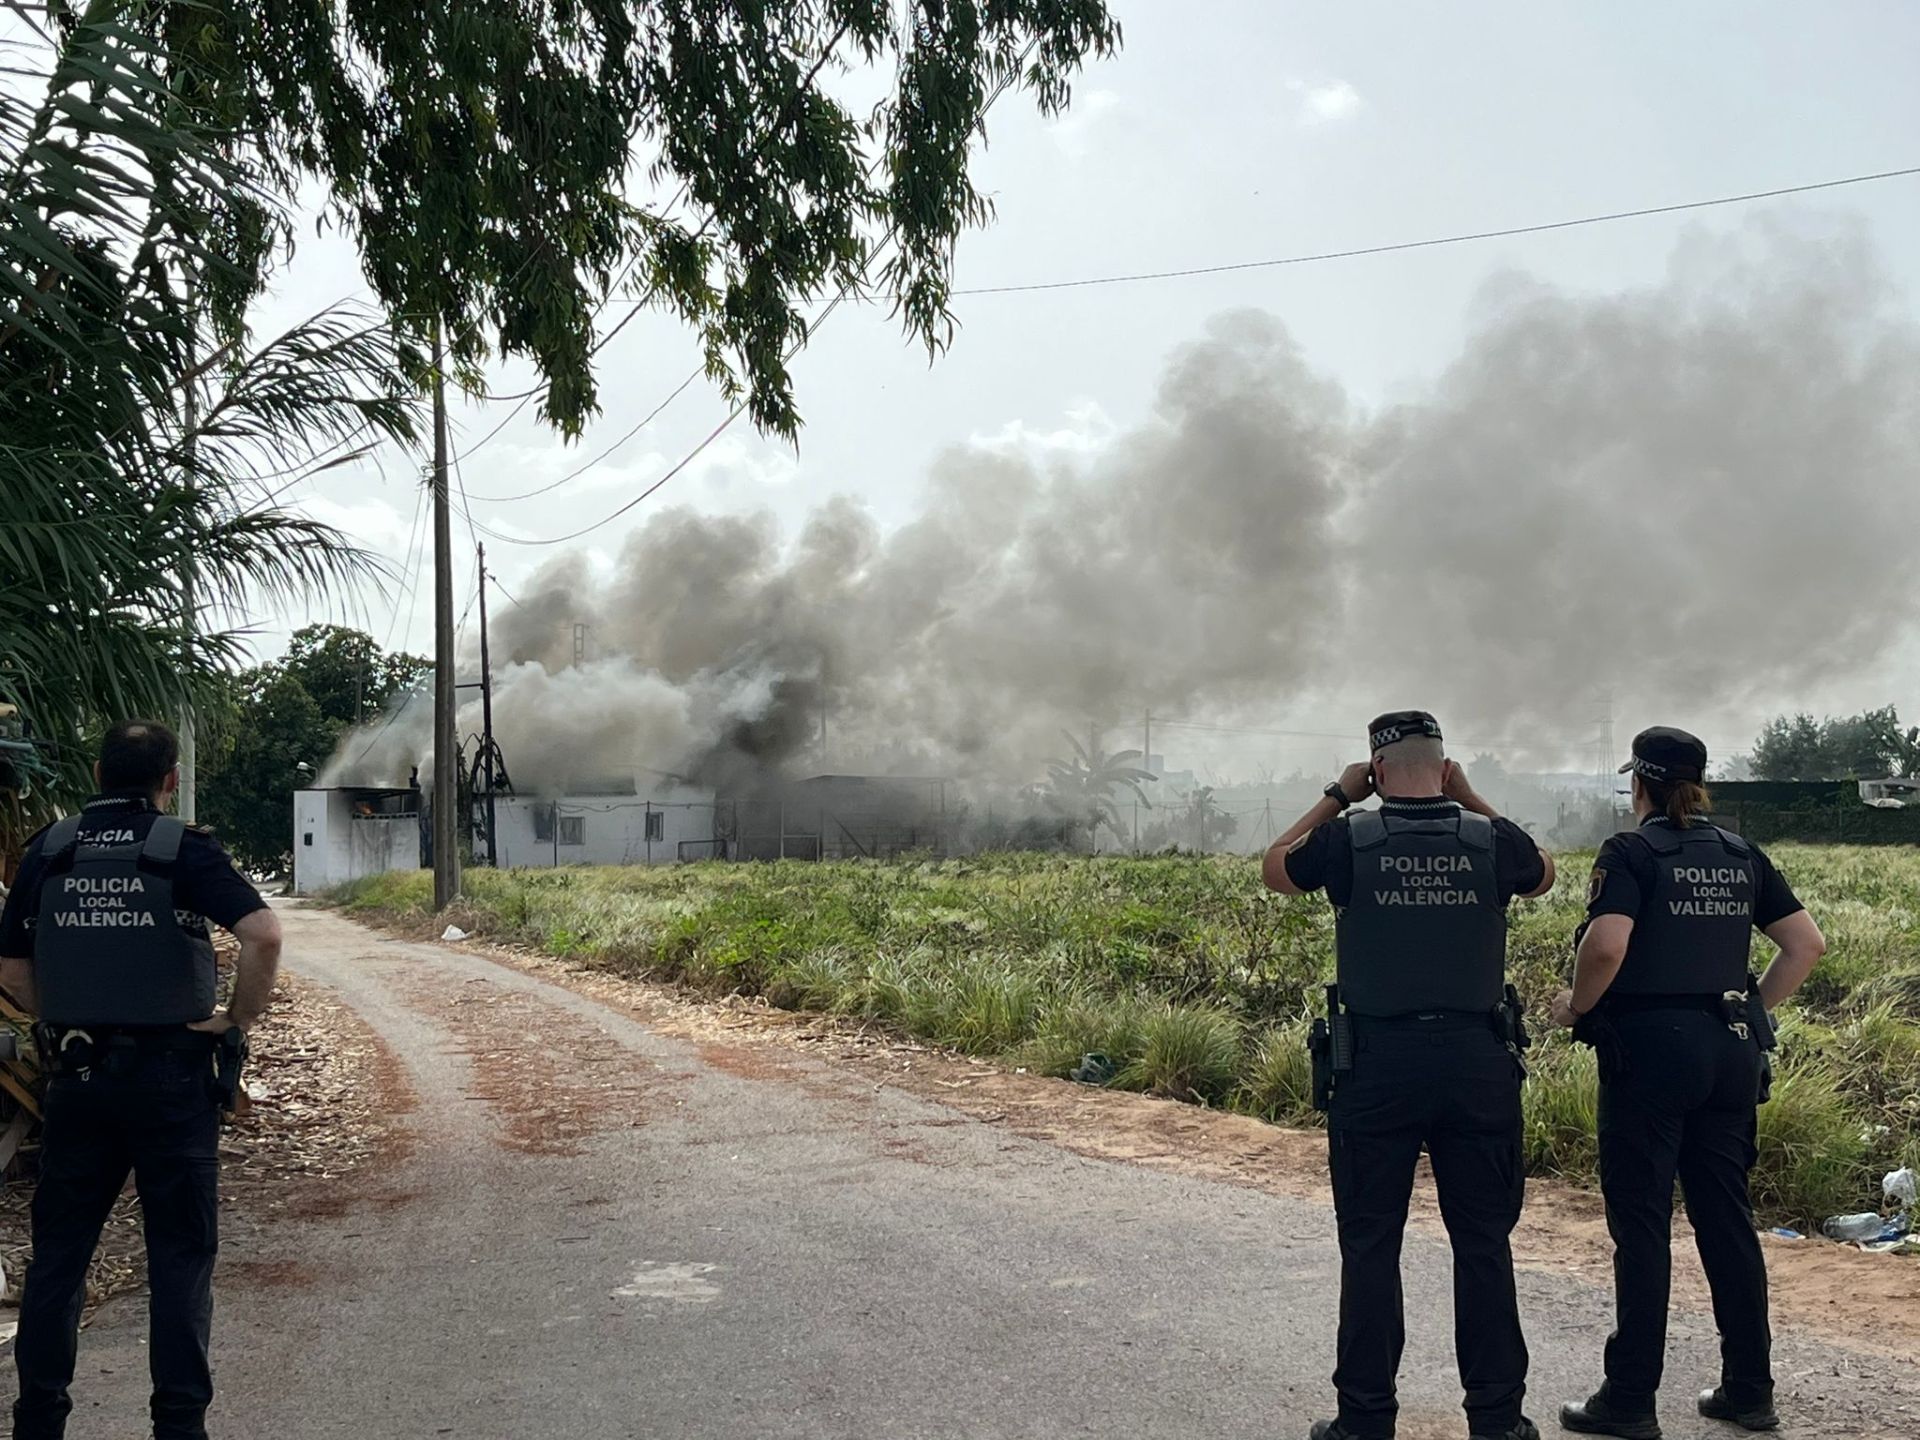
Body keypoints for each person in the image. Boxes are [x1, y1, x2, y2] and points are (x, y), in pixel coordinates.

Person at [1264, 711, 1556, 1440]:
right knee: (1483, 1244)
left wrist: (1338, 794)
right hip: (1477, 1063)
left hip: (1377, 1065)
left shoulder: (1346, 838)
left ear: (1379, 770)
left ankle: (1365, 1420)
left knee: (1370, 1245)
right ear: (1445, 768)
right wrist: (1472, 797)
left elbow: (1275, 867)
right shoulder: (1491, 842)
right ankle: (1497, 1419)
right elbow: (1544, 873)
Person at [0, 721, 283, 1440]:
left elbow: (11, 970)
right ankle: (179, 1426)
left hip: (77, 1077)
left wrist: (69, 1011)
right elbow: (263, 933)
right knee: (180, 1259)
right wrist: (235, 1019)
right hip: (171, 1080)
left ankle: (37, 1421)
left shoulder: (50, 849)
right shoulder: (182, 849)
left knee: (59, 1258)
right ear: (169, 780)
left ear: (98, 773)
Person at [1552, 727, 1824, 1440]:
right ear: (1698, 785)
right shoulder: (1740, 854)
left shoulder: (1630, 852)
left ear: (1639, 784)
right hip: (1730, 1052)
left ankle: (1629, 1400)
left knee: (1642, 1226)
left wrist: (1575, 1007)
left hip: (1649, 1056)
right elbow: (1806, 945)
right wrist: (1750, 1012)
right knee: (1726, 1220)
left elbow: (1607, 945)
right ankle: (1749, 1391)